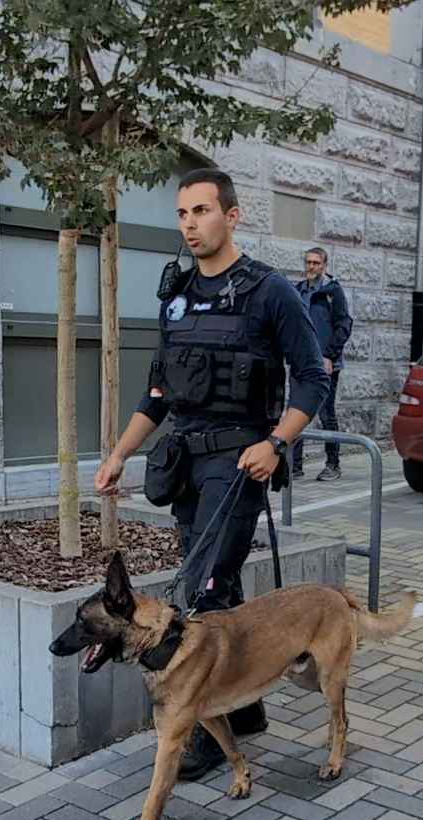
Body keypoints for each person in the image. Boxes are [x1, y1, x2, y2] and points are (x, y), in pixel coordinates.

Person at [95, 168, 326, 782]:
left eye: (201, 211)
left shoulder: (271, 292)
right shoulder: (175, 295)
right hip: (186, 463)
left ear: (232, 214)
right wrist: (119, 454)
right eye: (182, 214)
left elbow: (312, 380)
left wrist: (276, 442)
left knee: (201, 591)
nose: (190, 225)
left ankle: (201, 730)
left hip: (239, 463)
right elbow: (158, 392)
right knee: (215, 586)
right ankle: (243, 707)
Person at [291, 246, 352, 481]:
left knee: (326, 414)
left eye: (316, 263)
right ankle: (295, 466)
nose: (311, 267)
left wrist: (329, 356)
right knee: (295, 411)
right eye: (308, 262)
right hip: (301, 362)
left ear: (325, 265)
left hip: (325, 363)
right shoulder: (298, 290)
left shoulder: (333, 292)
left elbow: (343, 325)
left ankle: (333, 465)